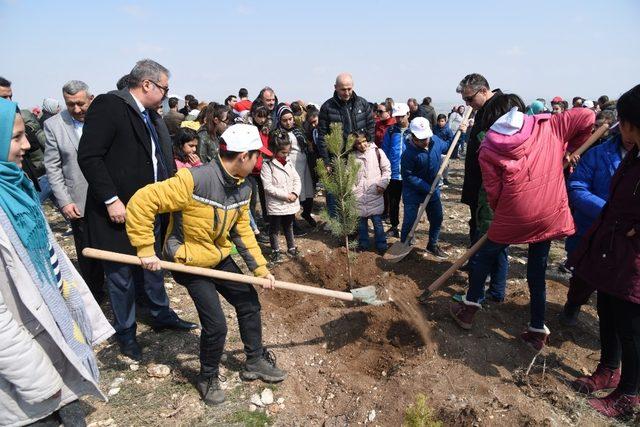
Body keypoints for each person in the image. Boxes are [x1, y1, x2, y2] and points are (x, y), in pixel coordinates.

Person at [126, 123, 286, 405]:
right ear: (243, 157)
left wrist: (260, 269)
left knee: (248, 303)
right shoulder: (192, 180)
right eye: (257, 156)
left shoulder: (243, 188)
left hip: (218, 256)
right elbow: (142, 201)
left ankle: (255, 360)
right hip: (189, 260)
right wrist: (145, 249)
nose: (259, 162)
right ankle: (207, 376)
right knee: (216, 324)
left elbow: (242, 232)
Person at [0, 97, 114, 426]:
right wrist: (40, 382)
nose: (27, 144)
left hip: (51, 348)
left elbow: (52, 267)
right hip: (25, 380)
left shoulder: (16, 190)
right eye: (16, 137)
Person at [449, 97, 595, 352]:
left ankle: (469, 309)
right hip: (549, 210)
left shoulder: (488, 146)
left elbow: (493, 190)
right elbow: (588, 117)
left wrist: (502, 213)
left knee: (485, 257)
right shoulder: (549, 125)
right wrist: (570, 149)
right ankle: (537, 329)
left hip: (513, 211)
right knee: (537, 270)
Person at [78, 59, 197, 361]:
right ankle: (127, 333)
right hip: (118, 212)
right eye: (165, 88)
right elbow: (90, 156)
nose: (167, 94)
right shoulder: (109, 105)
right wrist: (110, 199)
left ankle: (161, 314)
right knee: (121, 276)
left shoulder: (150, 115)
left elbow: (157, 157)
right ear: (147, 85)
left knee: (151, 264)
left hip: (149, 209)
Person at [566, 85, 640, 417]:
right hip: (611, 248)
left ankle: (629, 394)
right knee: (607, 310)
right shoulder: (627, 155)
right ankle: (608, 369)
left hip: (633, 257)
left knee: (631, 326)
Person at [559, 128, 630, 326]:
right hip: (592, 229)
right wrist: (607, 212)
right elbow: (577, 187)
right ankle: (573, 305)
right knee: (583, 277)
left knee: (619, 286)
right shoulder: (598, 153)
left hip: (628, 236)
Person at [44, 80, 106, 303]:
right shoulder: (54, 125)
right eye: (71, 105)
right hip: (78, 198)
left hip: (108, 195)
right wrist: (64, 201)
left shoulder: (103, 118)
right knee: (86, 247)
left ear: (90, 98)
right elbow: (53, 167)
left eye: (81, 103)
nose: (77, 109)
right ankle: (96, 293)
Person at [456, 73, 503, 245]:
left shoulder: (500, 106)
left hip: (488, 184)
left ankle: (481, 267)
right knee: (475, 221)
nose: (467, 104)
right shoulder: (483, 109)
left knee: (486, 226)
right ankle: (474, 262)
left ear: (483, 91)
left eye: (469, 99)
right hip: (476, 179)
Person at [400, 117, 450, 258]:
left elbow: (448, 146)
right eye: (420, 139)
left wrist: (457, 133)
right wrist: (426, 187)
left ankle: (432, 244)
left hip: (433, 189)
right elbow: (408, 176)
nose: (424, 141)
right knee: (410, 220)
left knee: (437, 218)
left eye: (426, 138)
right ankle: (405, 244)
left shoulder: (435, 141)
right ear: (413, 136)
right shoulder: (408, 154)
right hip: (413, 191)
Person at [261, 129, 301, 264]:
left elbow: (296, 179)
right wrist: (286, 196)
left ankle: (291, 247)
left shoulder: (289, 162)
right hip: (276, 204)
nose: (285, 155)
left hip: (290, 202)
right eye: (283, 152)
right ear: (273, 150)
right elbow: (268, 187)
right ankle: (275, 251)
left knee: (289, 225)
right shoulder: (267, 165)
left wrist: (295, 193)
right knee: (275, 228)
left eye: (287, 152)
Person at [275, 103, 316, 230]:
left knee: (308, 193)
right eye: (285, 120)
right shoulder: (279, 133)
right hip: (291, 166)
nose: (288, 122)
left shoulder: (298, 129)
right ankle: (292, 223)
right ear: (279, 120)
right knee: (294, 193)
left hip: (304, 164)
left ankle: (306, 213)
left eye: (290, 119)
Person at [353, 132, 391, 254]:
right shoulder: (352, 157)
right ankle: (364, 244)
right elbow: (348, 175)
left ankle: (381, 245)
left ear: (368, 140)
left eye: (364, 141)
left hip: (375, 192)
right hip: (358, 195)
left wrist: (382, 184)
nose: (362, 145)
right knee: (361, 223)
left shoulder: (377, 152)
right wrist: (351, 191)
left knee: (377, 222)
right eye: (358, 143)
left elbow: (386, 170)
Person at [381, 102, 411, 238]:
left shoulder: (414, 131)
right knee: (393, 202)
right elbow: (385, 151)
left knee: (410, 203)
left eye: (401, 116)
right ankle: (394, 226)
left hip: (409, 174)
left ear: (408, 115)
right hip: (394, 174)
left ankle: (409, 230)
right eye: (397, 117)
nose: (399, 119)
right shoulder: (391, 131)